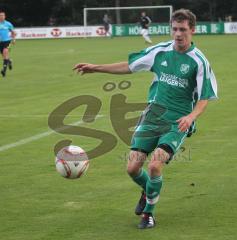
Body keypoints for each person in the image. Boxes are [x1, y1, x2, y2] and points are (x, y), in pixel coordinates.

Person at [73, 9, 218, 229]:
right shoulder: (160, 51)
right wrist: (96, 68)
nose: (178, 34)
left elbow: (205, 96)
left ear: (193, 30)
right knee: (132, 168)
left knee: (155, 164)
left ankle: (148, 214)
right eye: (175, 29)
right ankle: (148, 190)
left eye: (183, 30)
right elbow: (129, 66)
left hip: (177, 121)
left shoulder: (199, 61)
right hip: (153, 115)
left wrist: (191, 116)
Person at [0, 10, 16, 77]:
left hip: (7, 41)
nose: (1, 16)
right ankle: (9, 61)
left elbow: (13, 32)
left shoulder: (8, 24)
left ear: (5, 16)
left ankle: (4, 70)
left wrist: (13, 39)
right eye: (0, 15)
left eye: (2, 15)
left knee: (5, 52)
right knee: (4, 56)